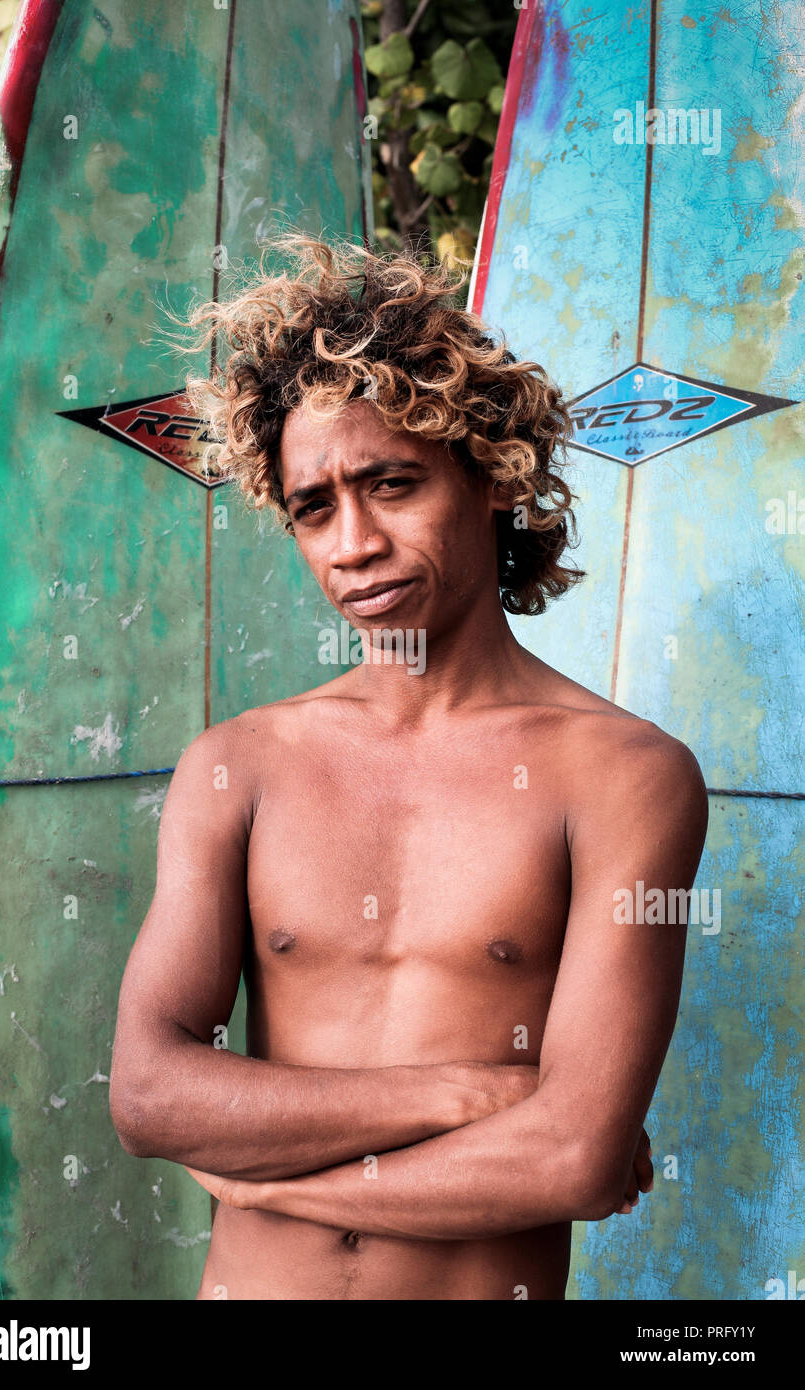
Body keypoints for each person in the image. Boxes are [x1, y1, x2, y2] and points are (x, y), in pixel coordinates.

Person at [109, 235, 708, 1300]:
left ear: (489, 475)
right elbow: (152, 1095)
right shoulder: (236, 766)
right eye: (313, 507)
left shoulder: (624, 775)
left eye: (391, 484)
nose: (353, 544)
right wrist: (464, 1093)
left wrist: (261, 1186)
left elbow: (569, 1158)